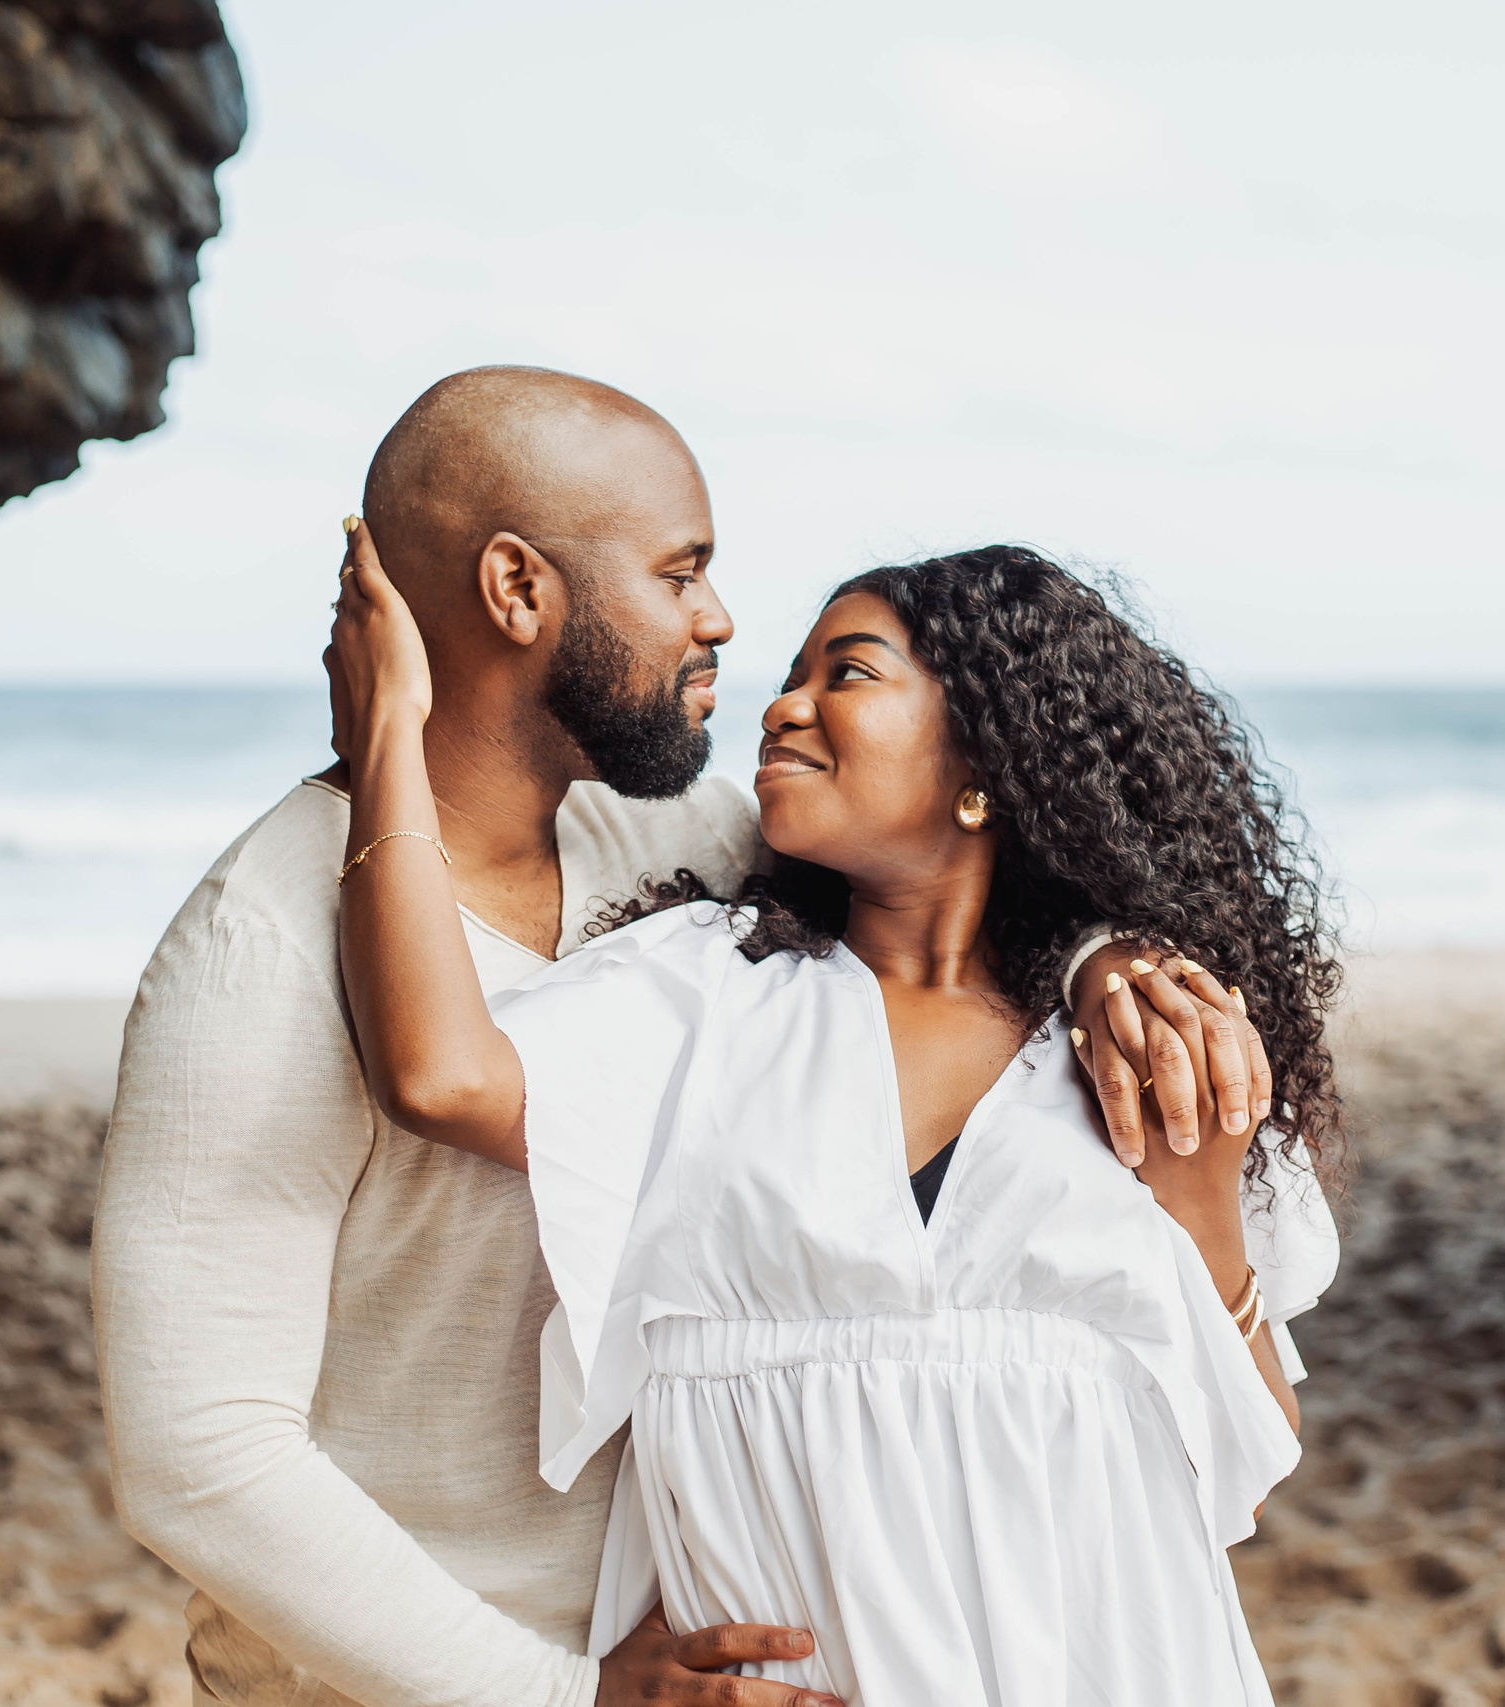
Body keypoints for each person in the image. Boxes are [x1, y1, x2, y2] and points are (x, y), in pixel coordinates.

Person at [92, 367, 1283, 1707]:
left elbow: (944, 902)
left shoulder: (686, 852)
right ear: (518, 589)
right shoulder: (262, 946)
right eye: (680, 571)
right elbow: (201, 1456)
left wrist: (1106, 956)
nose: (721, 622)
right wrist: (563, 1692)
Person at [327, 536, 1345, 1705]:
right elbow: (437, 1076)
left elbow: (1248, 1464)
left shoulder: (1135, 1033)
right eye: (791, 674)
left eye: (846, 674)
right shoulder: (704, 990)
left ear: (988, 755)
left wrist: (1204, 1194)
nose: (783, 707)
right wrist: (388, 733)